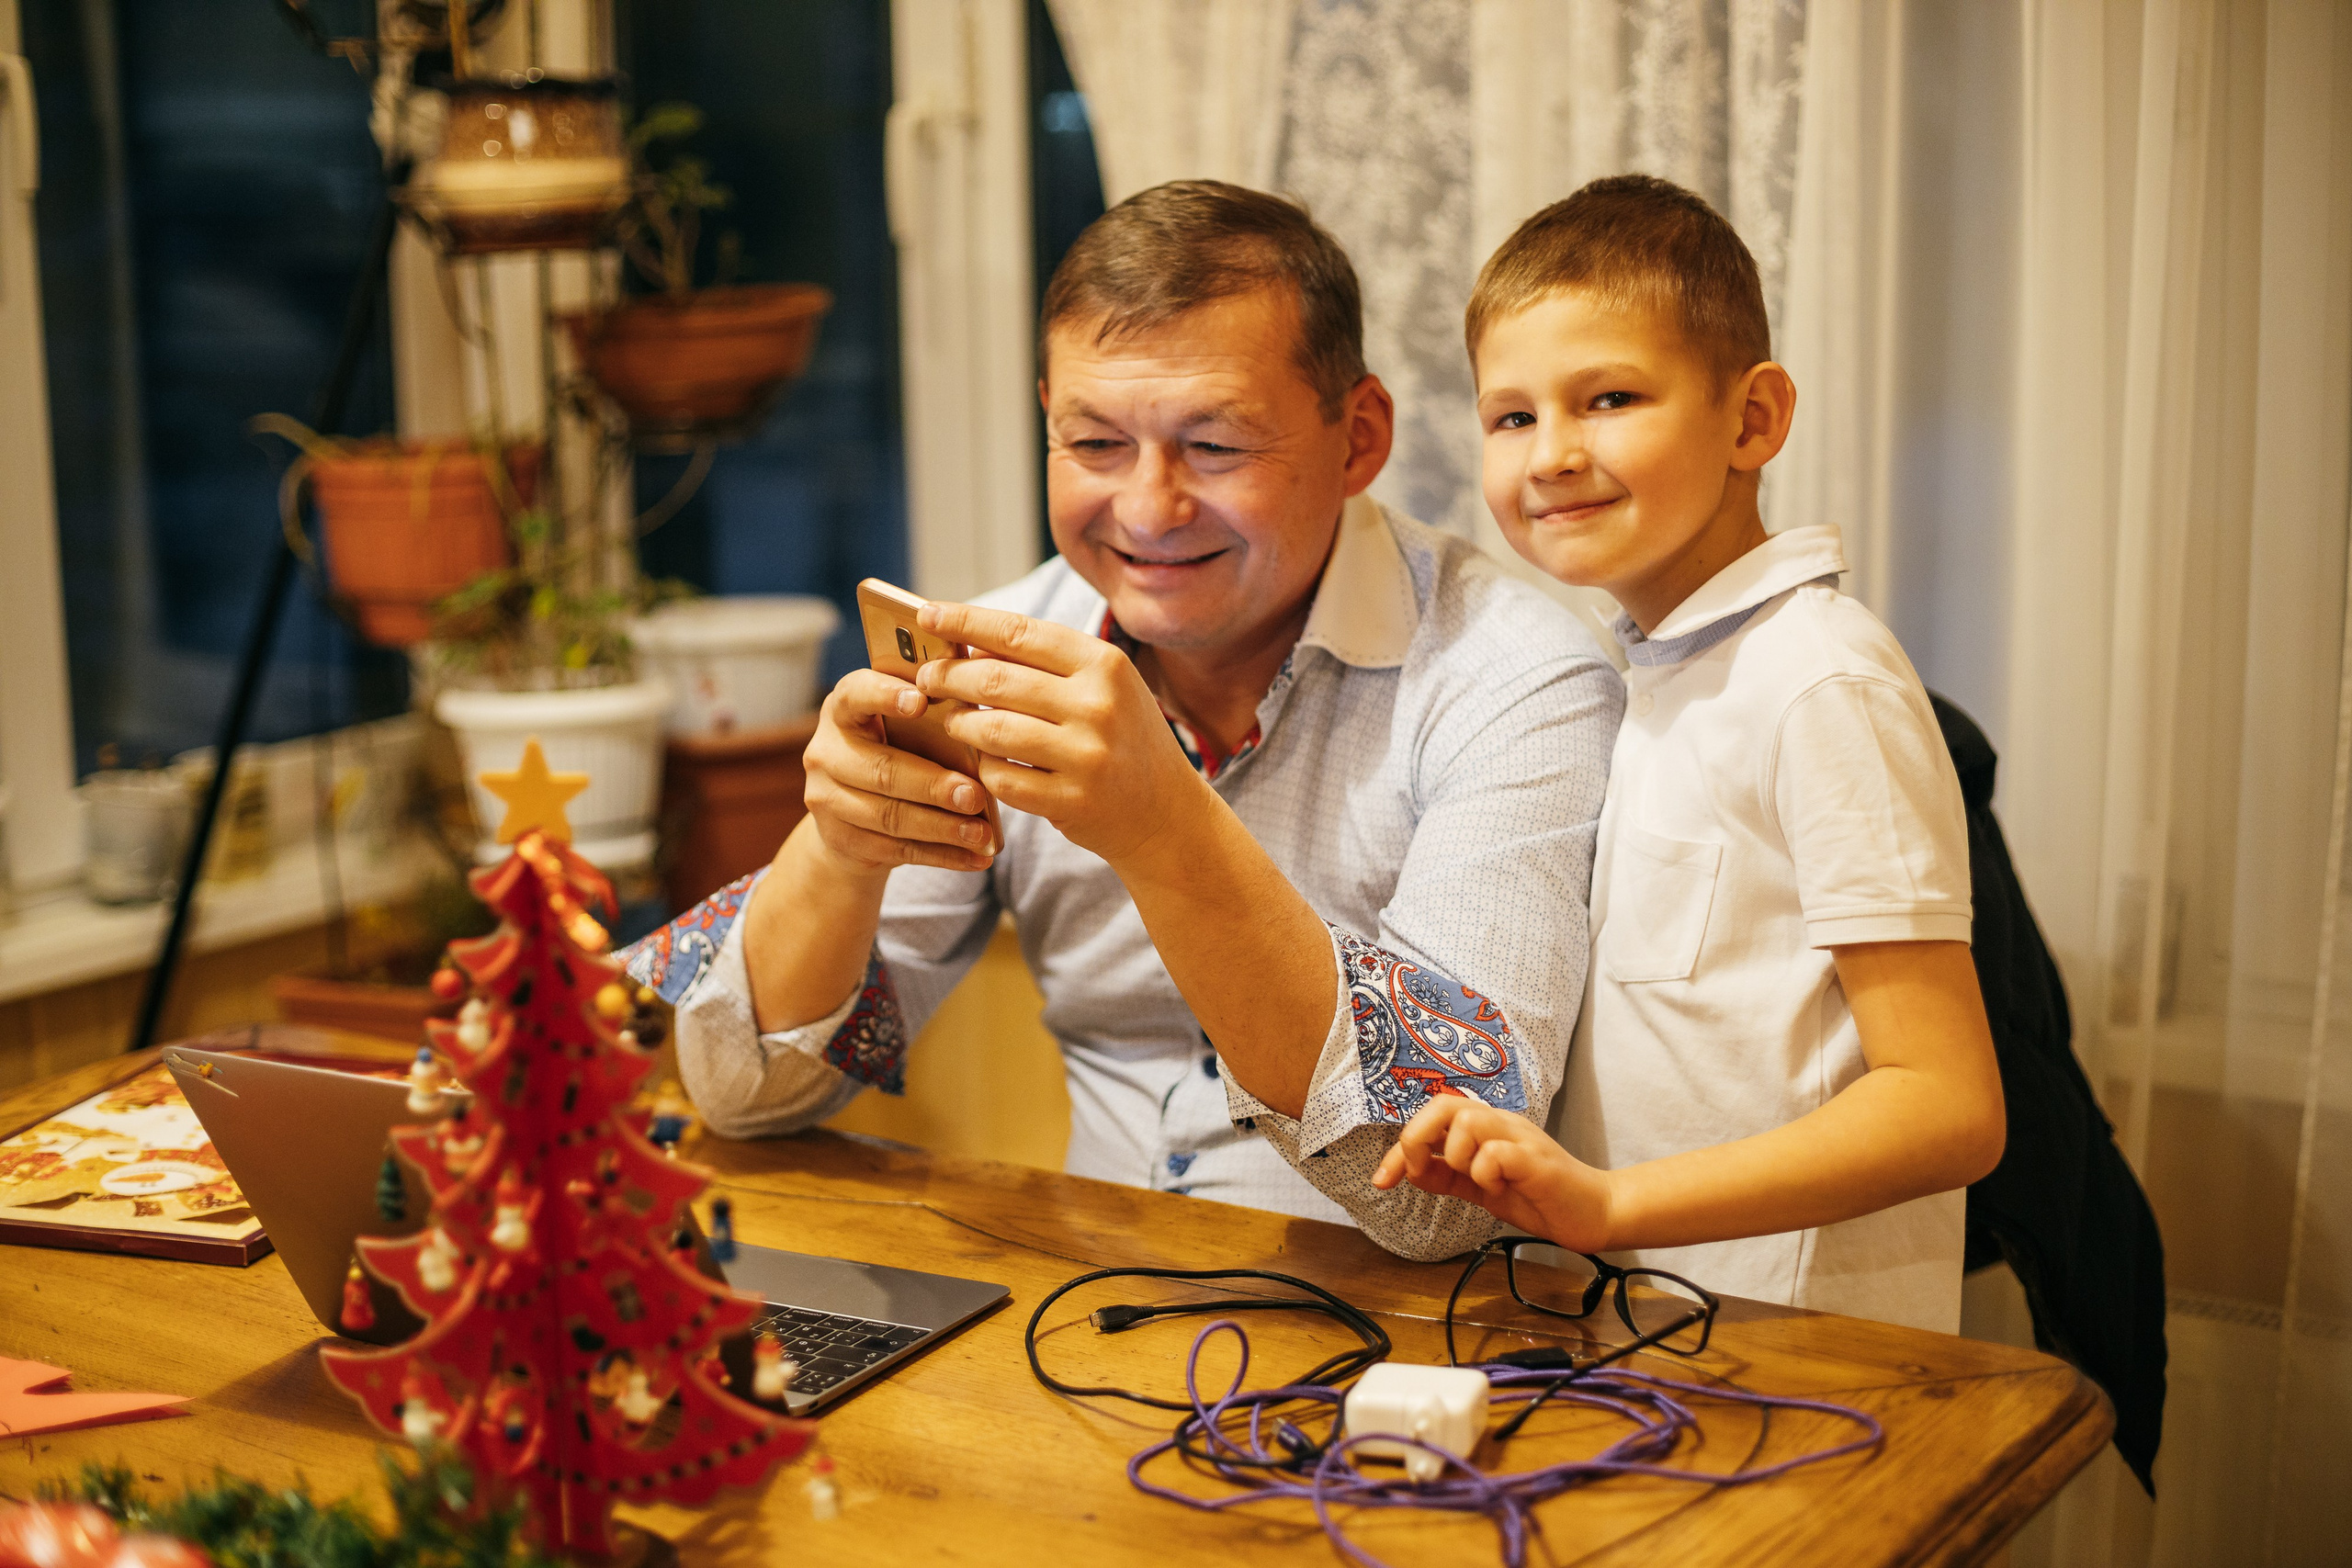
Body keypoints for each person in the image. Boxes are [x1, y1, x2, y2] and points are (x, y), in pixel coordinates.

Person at [624, 181, 1623, 1261]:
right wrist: (838, 845)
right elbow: (748, 1095)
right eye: (1094, 444)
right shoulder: (1004, 653)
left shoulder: (1519, 682)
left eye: (1216, 446)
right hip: (1082, 1300)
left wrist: (1162, 828)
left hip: (1424, 1344)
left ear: (1358, 438)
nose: (1148, 510)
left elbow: (1445, 1203)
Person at [1374, 175, 2005, 1331]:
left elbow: (1948, 1105)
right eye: (1511, 417)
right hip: (1651, 1332)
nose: (1551, 454)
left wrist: (1611, 1206)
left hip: (1798, 1357)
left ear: (1752, 420)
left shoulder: (1820, 680)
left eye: (1608, 398)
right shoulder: (1657, 671)